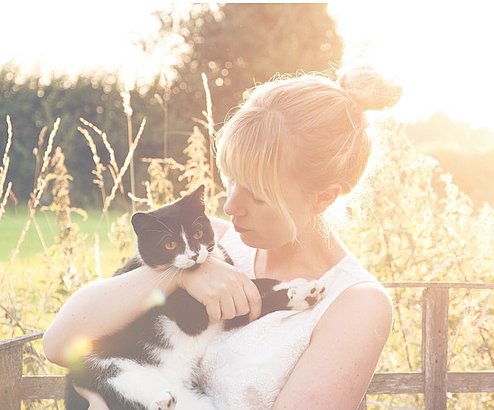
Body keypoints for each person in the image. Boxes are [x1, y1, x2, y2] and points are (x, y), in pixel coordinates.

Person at [43, 64, 401, 409]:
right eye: (229, 178)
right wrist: (182, 277)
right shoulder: (204, 241)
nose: (231, 205)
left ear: (323, 197)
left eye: (258, 194)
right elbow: (59, 342)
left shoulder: (355, 304)